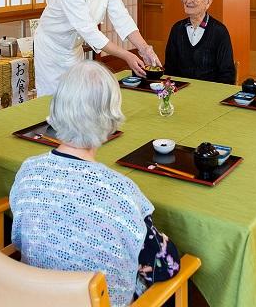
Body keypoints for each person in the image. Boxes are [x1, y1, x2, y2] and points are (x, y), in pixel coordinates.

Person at [10, 61, 180, 306]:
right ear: (110, 118)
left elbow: (19, 240)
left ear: (57, 107)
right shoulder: (119, 191)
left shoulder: (29, 170)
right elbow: (165, 265)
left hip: (36, 297)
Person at [164, 0, 235, 83]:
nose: (188, 1)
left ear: (208, 1)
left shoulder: (219, 31)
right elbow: (169, 68)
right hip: (180, 91)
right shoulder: (177, 29)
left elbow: (227, 75)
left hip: (209, 94)